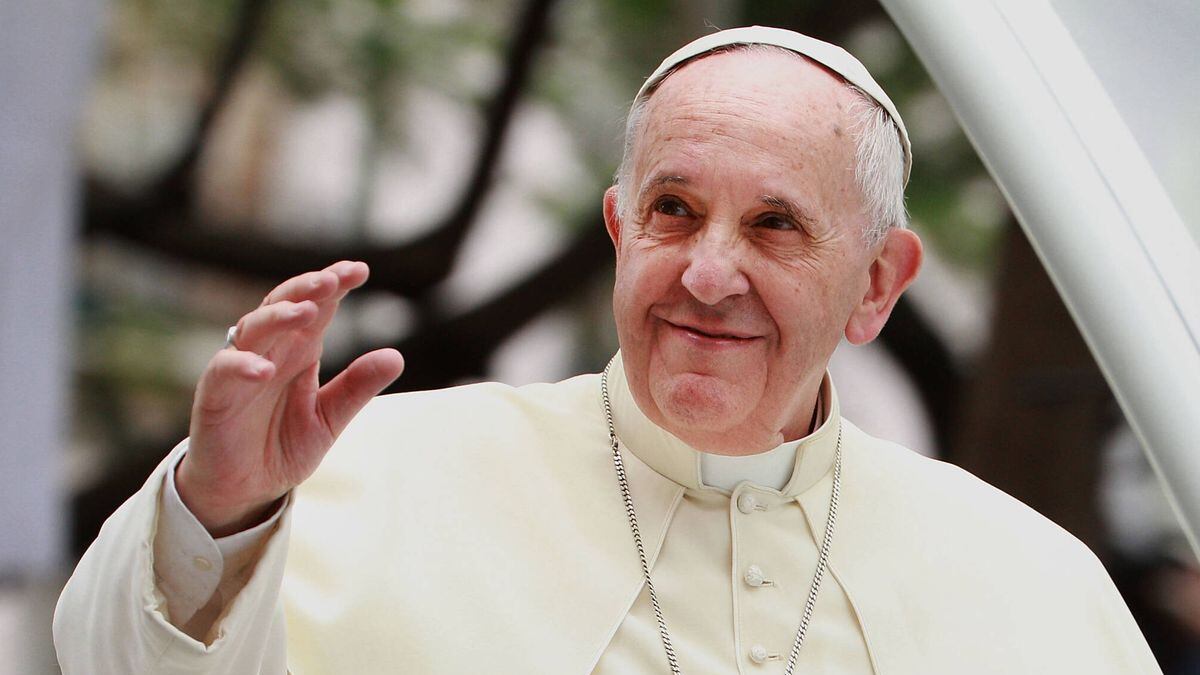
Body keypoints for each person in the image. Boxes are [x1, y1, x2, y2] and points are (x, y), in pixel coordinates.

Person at [53, 26, 1161, 674]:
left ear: (876, 284)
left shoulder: (1036, 586)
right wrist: (216, 513)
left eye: (775, 224)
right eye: (674, 210)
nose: (709, 272)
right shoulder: (358, 478)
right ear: (621, 230)